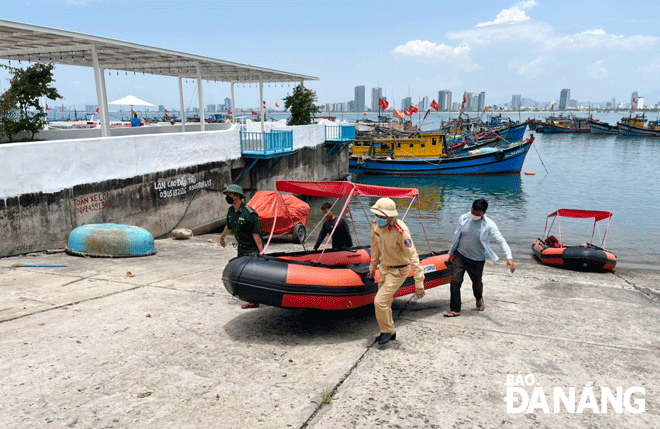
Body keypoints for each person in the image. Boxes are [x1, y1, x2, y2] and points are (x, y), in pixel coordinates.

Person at [368, 198, 425, 345]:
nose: (379, 219)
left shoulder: (401, 231)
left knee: (379, 301)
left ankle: (386, 331)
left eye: (382, 216)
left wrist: (419, 283)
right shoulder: (376, 226)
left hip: (399, 270)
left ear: (390, 216)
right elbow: (374, 247)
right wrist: (372, 267)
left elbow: (413, 256)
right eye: (377, 215)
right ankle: (390, 330)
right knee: (385, 302)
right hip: (384, 268)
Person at [445, 198, 515, 317]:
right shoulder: (463, 218)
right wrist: (451, 253)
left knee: (477, 285)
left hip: (477, 260)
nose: (474, 215)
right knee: (455, 281)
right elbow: (456, 236)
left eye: (478, 214)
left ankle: (479, 298)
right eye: (473, 212)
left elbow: (500, 240)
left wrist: (509, 257)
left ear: (484, 213)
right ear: (471, 208)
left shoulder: (489, 224)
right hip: (460, 255)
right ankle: (455, 309)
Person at [219, 184, 264, 309]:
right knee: (244, 275)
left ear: (237, 196)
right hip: (241, 248)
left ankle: (254, 301)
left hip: (252, 249)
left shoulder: (250, 214)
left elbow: (256, 235)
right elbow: (228, 227)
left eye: (229, 195)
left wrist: (262, 252)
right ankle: (251, 299)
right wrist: (222, 238)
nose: (227, 197)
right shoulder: (231, 211)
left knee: (252, 276)